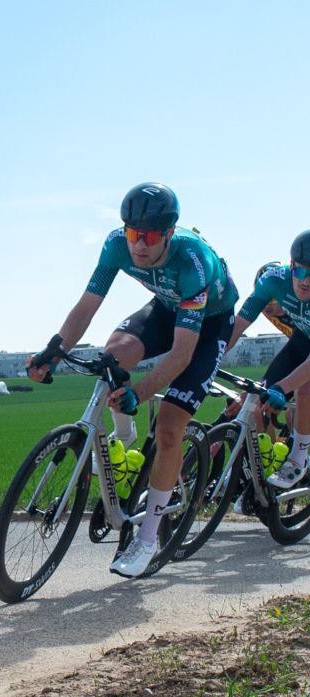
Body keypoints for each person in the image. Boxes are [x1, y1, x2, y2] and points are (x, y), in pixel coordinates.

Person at [27, 183, 238, 578]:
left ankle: (146, 540)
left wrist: (139, 393)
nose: (139, 245)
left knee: (171, 427)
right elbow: (88, 305)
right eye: (132, 233)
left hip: (208, 324)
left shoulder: (194, 262)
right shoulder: (116, 245)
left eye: (151, 235)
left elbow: (182, 353)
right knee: (112, 355)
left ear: (169, 233)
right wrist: (53, 351)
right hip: (166, 306)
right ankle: (123, 438)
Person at [224, 231, 310, 489]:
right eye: (301, 273)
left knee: (305, 389)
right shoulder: (274, 280)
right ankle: (259, 466)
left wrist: (283, 387)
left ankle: (298, 457)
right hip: (302, 341)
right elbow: (238, 325)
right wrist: (209, 359)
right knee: (256, 393)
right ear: (291, 266)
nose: (306, 282)